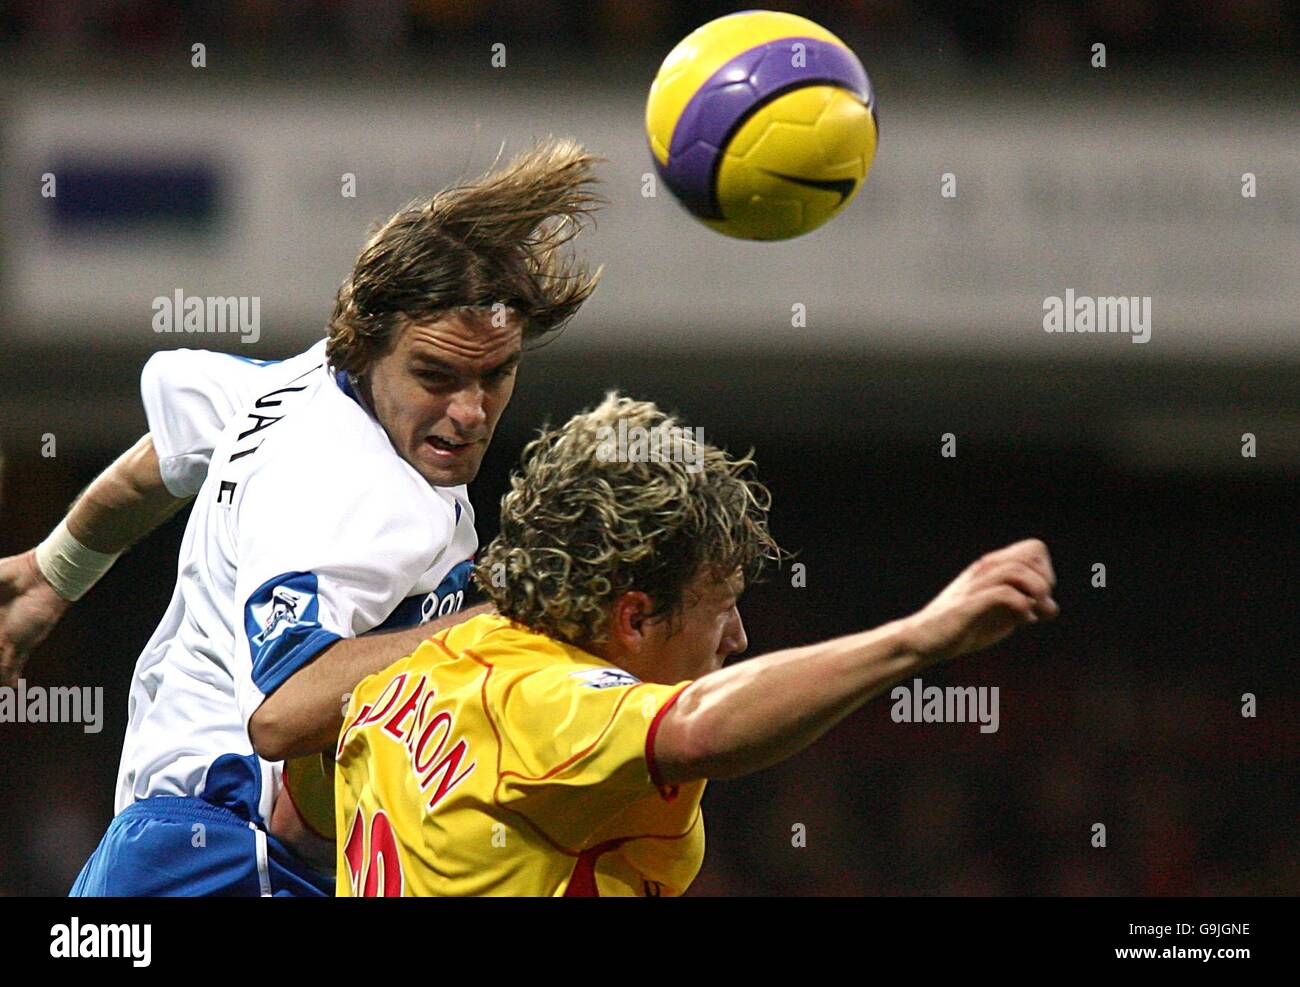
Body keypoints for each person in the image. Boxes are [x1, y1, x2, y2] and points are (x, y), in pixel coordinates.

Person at [2, 137, 603, 896]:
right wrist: (514, 621)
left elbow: (170, 452)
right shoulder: (357, 493)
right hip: (230, 865)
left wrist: (54, 571)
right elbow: (284, 714)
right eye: (436, 376)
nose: (470, 410)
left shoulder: (301, 382)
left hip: (170, 856)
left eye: (495, 374)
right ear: (364, 347)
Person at [318, 394, 1058, 896]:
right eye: (723, 608)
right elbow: (699, 729)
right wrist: (923, 636)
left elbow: (300, 804)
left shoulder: (409, 678)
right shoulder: (541, 702)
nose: (739, 636)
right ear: (633, 618)